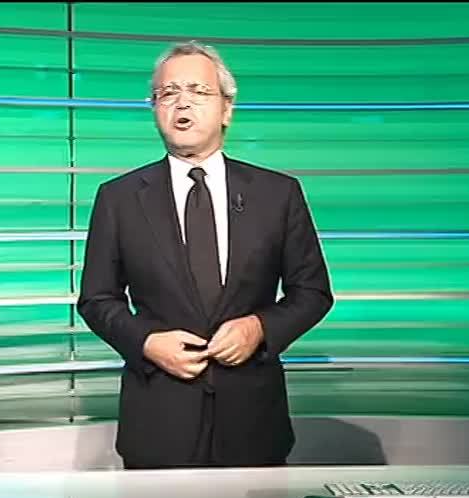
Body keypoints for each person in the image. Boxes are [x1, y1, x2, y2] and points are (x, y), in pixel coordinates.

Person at [77, 41, 333, 469]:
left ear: (226, 108)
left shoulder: (278, 194)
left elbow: (312, 293)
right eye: (168, 93)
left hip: (253, 423)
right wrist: (147, 342)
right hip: (159, 422)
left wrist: (259, 328)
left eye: (197, 91)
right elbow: (96, 299)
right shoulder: (118, 198)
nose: (182, 103)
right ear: (154, 108)